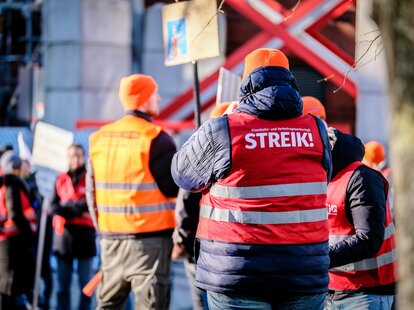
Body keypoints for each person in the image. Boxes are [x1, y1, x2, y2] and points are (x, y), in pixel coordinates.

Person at [171, 48, 332, 309]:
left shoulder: (224, 127)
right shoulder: (316, 129)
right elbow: (325, 176)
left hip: (238, 271)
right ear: (290, 81)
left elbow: (182, 174)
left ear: (246, 83)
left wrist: (221, 121)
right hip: (303, 271)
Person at [86, 74, 179, 309]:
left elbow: (91, 193)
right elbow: (173, 188)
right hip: (151, 244)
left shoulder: (98, 138)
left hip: (110, 241)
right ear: (144, 99)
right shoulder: (156, 139)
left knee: (107, 305)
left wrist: (103, 231)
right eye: (154, 93)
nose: (158, 97)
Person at [325, 129, 396, 310]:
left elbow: (368, 239)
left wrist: (319, 257)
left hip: (366, 292)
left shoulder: (361, 177)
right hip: (332, 288)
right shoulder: (323, 178)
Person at [51, 144, 96, 310]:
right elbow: (53, 206)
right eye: (71, 155)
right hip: (63, 239)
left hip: (85, 238)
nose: (75, 159)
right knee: (63, 287)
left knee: (86, 286)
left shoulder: (91, 179)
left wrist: (67, 207)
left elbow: (90, 204)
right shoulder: (60, 179)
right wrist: (77, 210)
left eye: (78, 155)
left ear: (84, 157)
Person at [0, 151, 37, 309]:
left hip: (11, 241)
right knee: (8, 287)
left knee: (9, 287)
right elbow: (15, 214)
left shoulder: (10, 184)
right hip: (12, 242)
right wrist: (28, 231)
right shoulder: (12, 185)